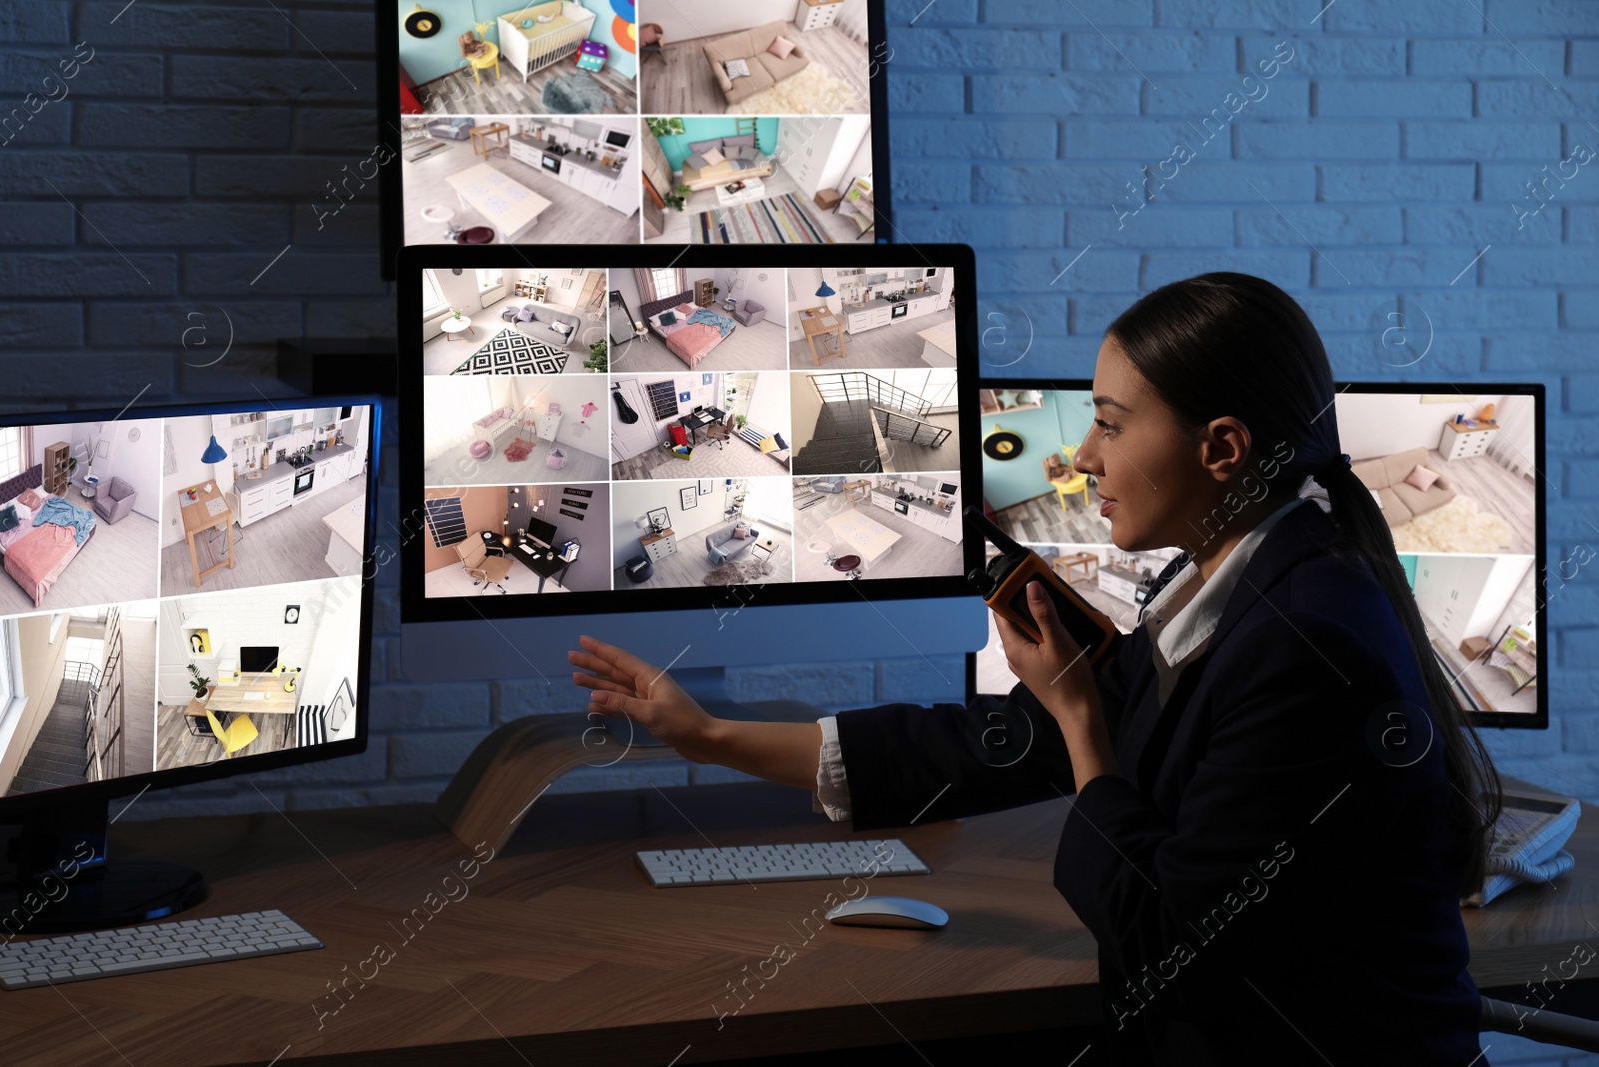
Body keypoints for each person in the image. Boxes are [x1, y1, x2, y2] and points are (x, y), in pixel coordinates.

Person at [569, 272, 1501, 1065]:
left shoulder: (1307, 645)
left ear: (1223, 449)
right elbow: (987, 744)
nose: (1083, 457)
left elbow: (1167, 945)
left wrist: (1084, 726)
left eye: (1109, 423)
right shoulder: (1223, 583)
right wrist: (710, 736)